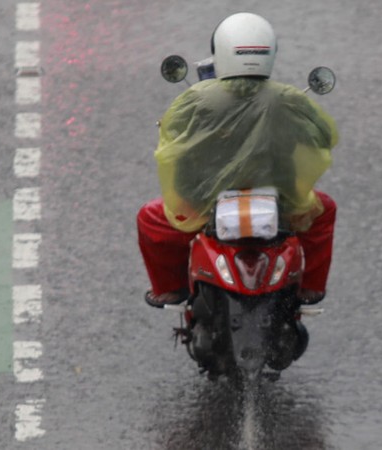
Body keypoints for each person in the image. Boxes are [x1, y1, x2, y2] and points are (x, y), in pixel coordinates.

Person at [137, 12, 339, 307]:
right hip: (282, 199)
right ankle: (311, 288)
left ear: (220, 51)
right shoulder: (289, 99)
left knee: (150, 218)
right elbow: (323, 136)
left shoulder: (195, 98)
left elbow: (172, 137)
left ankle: (169, 289)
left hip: (203, 200)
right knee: (324, 210)